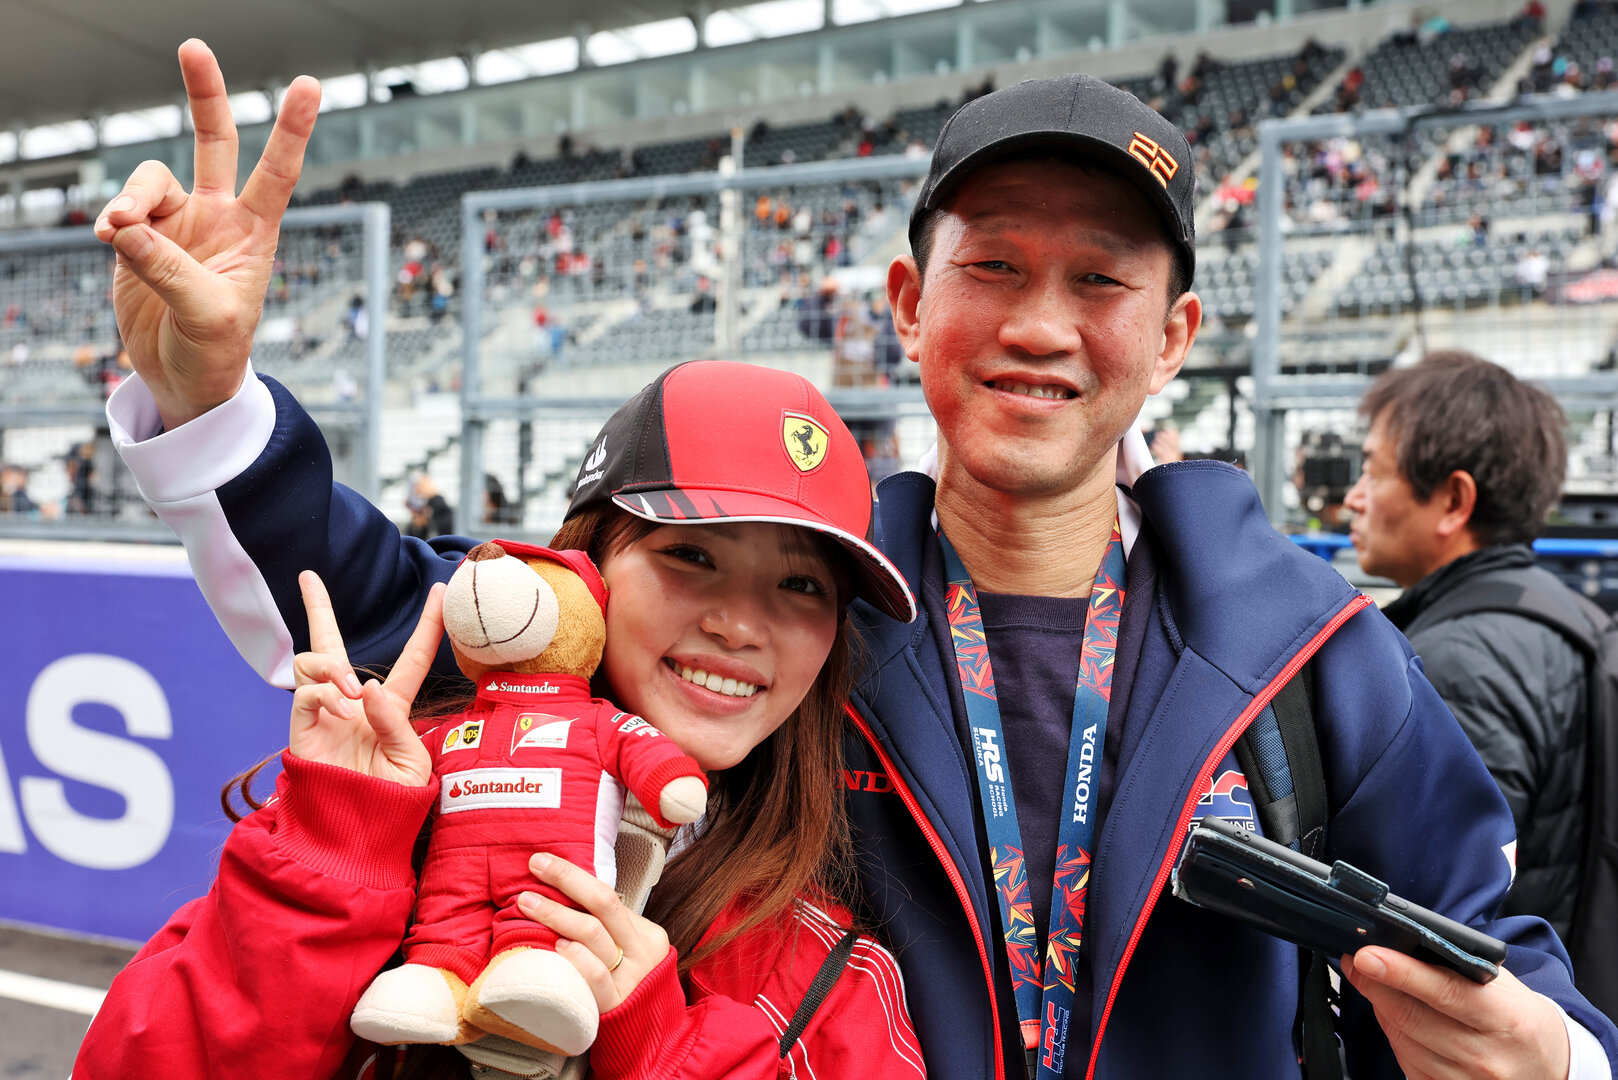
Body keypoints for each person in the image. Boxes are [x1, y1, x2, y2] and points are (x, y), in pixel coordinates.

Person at [90, 45, 1616, 1078]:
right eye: (994, 265)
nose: (1037, 323)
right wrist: (210, 398)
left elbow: (1498, 965)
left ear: (1175, 336)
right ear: (904, 301)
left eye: (1101, 280)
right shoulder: (796, 598)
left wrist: (1548, 1055)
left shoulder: (1308, 657)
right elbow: (417, 613)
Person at [76, 42, 925, 1080]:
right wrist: (335, 867)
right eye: (692, 557)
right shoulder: (398, 807)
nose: (742, 624)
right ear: (584, 570)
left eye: (803, 585)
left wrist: (660, 1043)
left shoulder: (832, 959)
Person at [1344, 352, 1592, 942]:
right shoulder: (1560, 611)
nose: (1354, 498)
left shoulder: (1460, 661)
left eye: (1373, 473)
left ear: (1453, 501)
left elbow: (1438, 918)